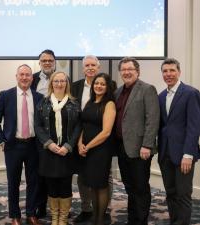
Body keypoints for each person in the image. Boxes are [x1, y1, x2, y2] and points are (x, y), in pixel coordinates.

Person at [0, 64, 43, 225]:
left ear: (32, 78)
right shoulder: (6, 95)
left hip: (33, 146)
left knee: (33, 182)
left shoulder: (39, 97)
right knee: (13, 182)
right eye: (22, 74)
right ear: (17, 76)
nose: (25, 77)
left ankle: (30, 213)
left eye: (28, 75)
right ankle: (15, 215)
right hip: (13, 146)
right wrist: (1, 140)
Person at [115, 57, 160, 225]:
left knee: (140, 188)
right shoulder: (118, 92)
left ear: (137, 71)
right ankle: (132, 219)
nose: (126, 72)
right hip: (121, 148)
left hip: (141, 148)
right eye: (124, 70)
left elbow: (152, 119)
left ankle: (140, 221)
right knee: (129, 187)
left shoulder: (147, 89)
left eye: (130, 69)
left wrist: (147, 145)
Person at [72, 55, 116, 223]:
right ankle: (88, 211)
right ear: (83, 68)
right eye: (87, 65)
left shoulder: (109, 103)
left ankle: (100, 217)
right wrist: (79, 143)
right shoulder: (88, 98)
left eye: (102, 84)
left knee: (101, 183)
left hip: (100, 148)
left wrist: (87, 146)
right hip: (84, 146)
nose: (99, 86)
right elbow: (82, 122)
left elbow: (106, 131)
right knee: (86, 180)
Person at [34, 71, 81, 225]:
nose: (59, 84)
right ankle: (55, 217)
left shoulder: (74, 103)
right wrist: (49, 143)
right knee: (51, 185)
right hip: (49, 151)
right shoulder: (43, 102)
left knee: (65, 185)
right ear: (51, 83)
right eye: (56, 81)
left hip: (66, 152)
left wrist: (68, 146)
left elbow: (78, 127)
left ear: (66, 83)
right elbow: (38, 126)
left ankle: (63, 218)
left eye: (62, 81)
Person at [158, 58, 200, 225]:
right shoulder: (161, 96)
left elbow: (194, 127)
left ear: (179, 72)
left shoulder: (190, 93)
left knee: (183, 194)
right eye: (165, 71)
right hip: (165, 153)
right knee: (171, 193)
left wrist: (188, 154)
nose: (168, 74)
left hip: (184, 155)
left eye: (172, 70)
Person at [31, 49, 56, 218]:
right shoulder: (32, 79)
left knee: (55, 172)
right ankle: (40, 206)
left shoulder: (62, 78)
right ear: (39, 62)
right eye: (44, 60)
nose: (47, 63)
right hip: (37, 131)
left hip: (57, 132)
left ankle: (57, 206)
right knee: (38, 172)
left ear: (55, 62)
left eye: (50, 60)